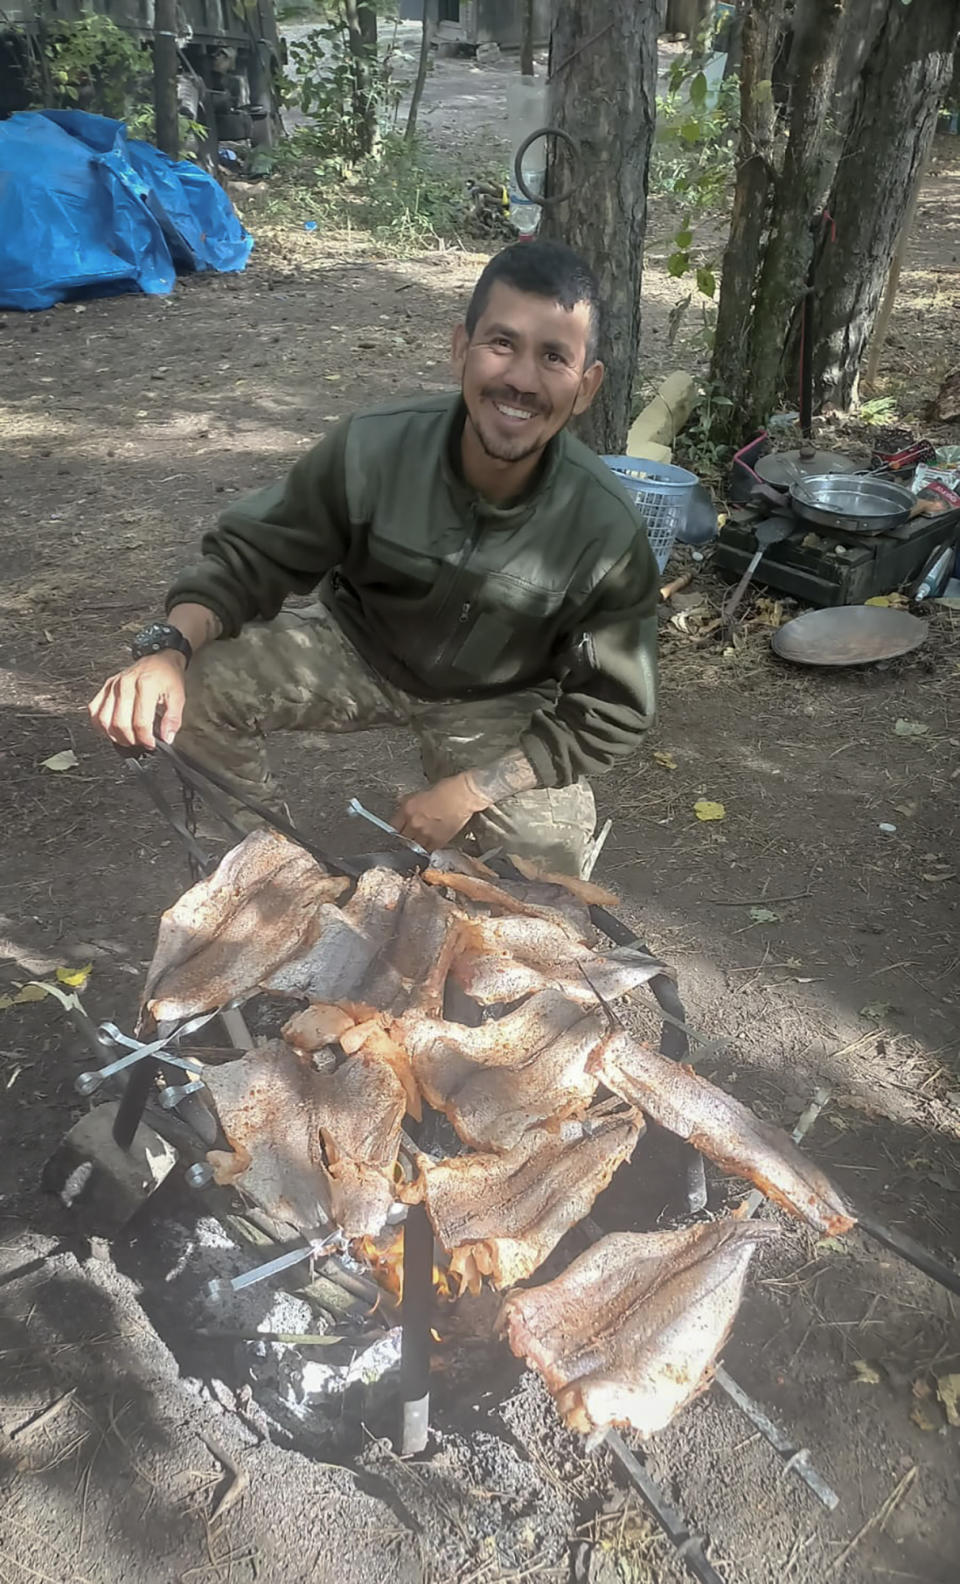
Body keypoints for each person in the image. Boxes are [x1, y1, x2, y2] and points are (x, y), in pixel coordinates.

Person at [89, 240, 658, 877]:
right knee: (188, 691)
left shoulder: (605, 528)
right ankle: (265, 888)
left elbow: (612, 710)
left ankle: (478, 943)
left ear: (586, 387)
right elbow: (251, 557)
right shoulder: (375, 447)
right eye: (502, 343)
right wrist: (168, 649)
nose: (521, 379)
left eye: (554, 357)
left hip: (497, 695)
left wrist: (471, 791)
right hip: (357, 648)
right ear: (459, 349)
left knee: (543, 857)